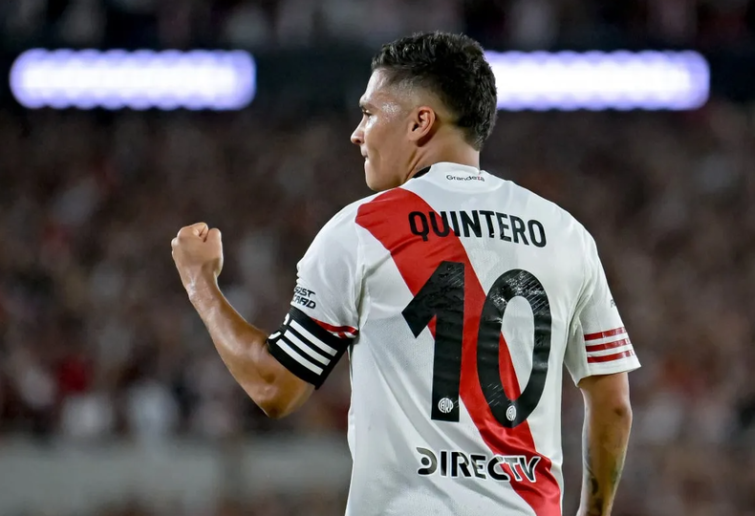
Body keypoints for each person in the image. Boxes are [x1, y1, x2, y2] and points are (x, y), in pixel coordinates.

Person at [171, 31, 639, 516]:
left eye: (370, 112)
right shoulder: (566, 234)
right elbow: (614, 405)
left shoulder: (363, 229)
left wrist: (199, 283)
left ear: (420, 122)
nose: (357, 132)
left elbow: (275, 387)